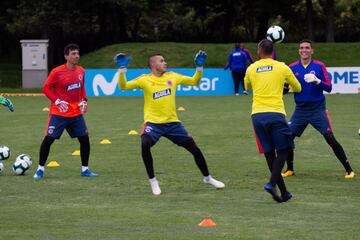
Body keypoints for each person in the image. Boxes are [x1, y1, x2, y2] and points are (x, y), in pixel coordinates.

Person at [116, 50, 225, 195]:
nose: (165, 63)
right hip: (153, 124)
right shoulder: (144, 79)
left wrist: (199, 68)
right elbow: (123, 86)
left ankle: (208, 178)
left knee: (195, 149)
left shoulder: (173, 76)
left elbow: (194, 81)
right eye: (161, 61)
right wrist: (122, 70)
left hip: (173, 123)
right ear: (153, 64)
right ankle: (153, 181)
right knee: (145, 144)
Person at [281, 39, 355, 179]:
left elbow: (329, 87)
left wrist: (317, 81)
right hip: (300, 110)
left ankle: (349, 169)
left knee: (329, 137)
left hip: (317, 109)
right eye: (301, 47)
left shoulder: (319, 66)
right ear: (299, 51)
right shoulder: (292, 67)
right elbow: (286, 88)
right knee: (287, 137)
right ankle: (290, 169)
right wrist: (283, 89)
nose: (304, 50)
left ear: (311, 51)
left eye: (307, 48)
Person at [244, 39, 301, 202]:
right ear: (272, 51)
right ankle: (271, 183)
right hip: (275, 114)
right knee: (283, 150)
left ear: (259, 51)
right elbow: (298, 88)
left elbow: (247, 87)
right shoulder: (282, 67)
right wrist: (285, 87)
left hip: (257, 116)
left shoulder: (251, 68)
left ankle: (284, 192)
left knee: (269, 154)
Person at [33, 43, 97, 180]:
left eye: (78, 53)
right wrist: (57, 101)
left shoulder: (81, 71)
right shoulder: (57, 72)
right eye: (73, 54)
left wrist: (84, 100)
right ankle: (40, 169)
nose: (77, 56)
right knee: (49, 139)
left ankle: (85, 170)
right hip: (58, 113)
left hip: (75, 113)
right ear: (66, 56)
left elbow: (82, 87)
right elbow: (46, 88)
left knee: (84, 140)